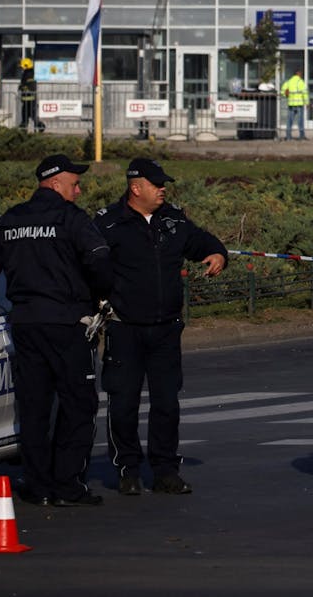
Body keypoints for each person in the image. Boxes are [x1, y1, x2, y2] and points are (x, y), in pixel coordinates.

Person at [0, 153, 112, 507]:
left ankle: (39, 486)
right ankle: (69, 485)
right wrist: (98, 295)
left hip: (26, 326)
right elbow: (100, 259)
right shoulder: (71, 219)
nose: (78, 190)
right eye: (74, 184)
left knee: (34, 408)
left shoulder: (12, 219)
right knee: (78, 404)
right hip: (68, 325)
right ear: (55, 183)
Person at [93, 158, 226, 497]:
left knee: (167, 404)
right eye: (156, 184)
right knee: (123, 403)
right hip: (125, 328)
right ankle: (128, 469)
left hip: (166, 328)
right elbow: (88, 264)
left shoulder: (173, 220)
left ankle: (166, 470)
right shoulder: (108, 223)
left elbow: (202, 242)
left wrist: (217, 254)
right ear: (136, 188)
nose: (162, 188)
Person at [17, 57, 44, 133]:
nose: (21, 68)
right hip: (27, 99)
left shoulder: (29, 74)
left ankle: (39, 126)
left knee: (30, 115)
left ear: (26, 66)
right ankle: (24, 128)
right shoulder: (27, 73)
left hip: (30, 100)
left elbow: (30, 86)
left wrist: (22, 87)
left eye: (22, 66)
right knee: (27, 116)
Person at [280, 68, 308, 140]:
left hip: (291, 104)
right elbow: (305, 93)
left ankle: (288, 136)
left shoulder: (289, 82)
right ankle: (301, 136)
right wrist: (307, 102)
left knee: (289, 121)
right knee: (300, 121)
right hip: (299, 104)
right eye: (301, 74)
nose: (301, 75)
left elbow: (282, 91)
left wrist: (286, 94)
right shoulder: (300, 82)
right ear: (298, 73)